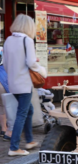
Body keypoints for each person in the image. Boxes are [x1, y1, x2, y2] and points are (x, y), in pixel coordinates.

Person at [3, 14, 47, 156]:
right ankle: (14, 147)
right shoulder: (27, 40)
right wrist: (42, 71)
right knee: (22, 113)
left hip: (13, 83)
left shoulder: (8, 40)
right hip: (24, 83)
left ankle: (29, 140)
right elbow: (31, 63)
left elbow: (6, 63)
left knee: (28, 111)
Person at [0, 63, 12, 141]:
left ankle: (3, 129)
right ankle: (8, 131)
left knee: (1, 106)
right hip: (2, 85)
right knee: (8, 106)